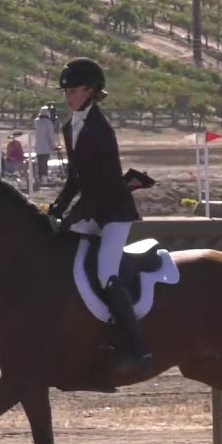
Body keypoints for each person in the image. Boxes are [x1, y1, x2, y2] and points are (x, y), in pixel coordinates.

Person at [47, 57, 151, 376]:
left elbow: (102, 187)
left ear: (91, 91)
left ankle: (136, 349)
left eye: (74, 91)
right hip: (92, 206)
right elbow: (76, 180)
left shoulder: (100, 129)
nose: (69, 97)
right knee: (60, 253)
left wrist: (70, 218)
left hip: (113, 211)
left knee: (106, 272)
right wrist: (55, 209)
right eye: (66, 91)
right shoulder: (70, 126)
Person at [34, 106, 56, 182]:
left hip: (38, 145)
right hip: (46, 145)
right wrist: (53, 145)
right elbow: (51, 135)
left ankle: (40, 177)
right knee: (45, 162)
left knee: (40, 162)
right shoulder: (48, 122)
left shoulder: (36, 121)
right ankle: (45, 177)